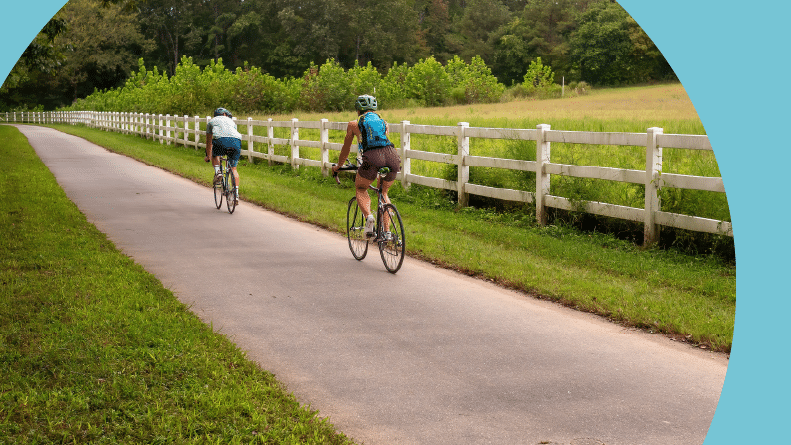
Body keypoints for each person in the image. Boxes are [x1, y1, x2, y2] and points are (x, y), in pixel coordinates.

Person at [332, 95, 401, 237]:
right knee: (384, 193)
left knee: (361, 188)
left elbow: (346, 148)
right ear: (374, 109)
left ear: (358, 110)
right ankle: (387, 232)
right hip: (392, 156)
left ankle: (369, 217)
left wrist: (339, 166)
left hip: (373, 158)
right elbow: (384, 142)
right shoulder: (384, 122)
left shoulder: (353, 124)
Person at [204, 107, 242, 205]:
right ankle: (236, 195)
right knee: (234, 169)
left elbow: (209, 142)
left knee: (215, 155)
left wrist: (208, 155)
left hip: (220, 141)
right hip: (236, 142)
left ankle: (218, 172)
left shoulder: (211, 122)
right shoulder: (232, 122)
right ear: (225, 114)